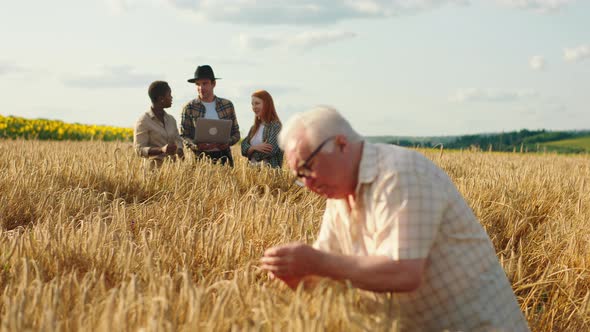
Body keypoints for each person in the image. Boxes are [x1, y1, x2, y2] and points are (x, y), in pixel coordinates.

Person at [260, 106, 529, 331]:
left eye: (308, 168)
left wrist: (316, 262)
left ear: (341, 144)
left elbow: (403, 272)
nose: (307, 184)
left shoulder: (400, 174)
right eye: (299, 176)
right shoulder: (338, 198)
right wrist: (297, 276)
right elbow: (331, 272)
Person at [180, 65, 240, 167]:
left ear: (214, 84)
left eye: (205, 83)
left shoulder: (227, 105)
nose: (201, 88)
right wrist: (196, 145)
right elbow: (183, 136)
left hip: (224, 158)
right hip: (199, 160)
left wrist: (227, 143)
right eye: (198, 84)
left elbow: (236, 134)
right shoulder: (189, 107)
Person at [134, 81, 184, 166]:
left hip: (173, 172)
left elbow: (178, 140)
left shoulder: (171, 120)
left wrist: (179, 149)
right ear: (161, 99)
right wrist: (161, 149)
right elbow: (139, 150)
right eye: (169, 95)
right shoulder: (143, 121)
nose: (171, 97)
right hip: (153, 173)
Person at [240, 90, 283, 168]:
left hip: (269, 175)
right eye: (252, 104)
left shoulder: (275, 126)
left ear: (267, 104)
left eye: (257, 103)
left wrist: (250, 152)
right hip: (251, 175)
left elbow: (270, 151)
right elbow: (243, 147)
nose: (254, 107)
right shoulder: (254, 128)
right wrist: (254, 148)